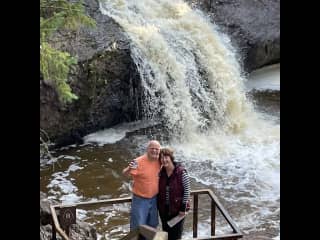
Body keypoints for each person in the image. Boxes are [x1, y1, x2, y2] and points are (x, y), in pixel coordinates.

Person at [122, 140, 162, 234]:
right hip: (140, 199)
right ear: (147, 149)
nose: (155, 151)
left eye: (157, 149)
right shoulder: (138, 161)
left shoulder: (160, 160)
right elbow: (125, 174)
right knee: (138, 226)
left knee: (153, 225)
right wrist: (129, 168)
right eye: (152, 149)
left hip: (154, 199)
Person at [157, 147, 191, 240]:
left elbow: (187, 190)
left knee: (176, 236)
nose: (164, 160)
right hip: (164, 210)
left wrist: (183, 208)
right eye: (161, 158)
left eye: (166, 157)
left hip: (177, 211)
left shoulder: (181, 172)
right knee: (166, 234)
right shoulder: (161, 173)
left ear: (171, 157)